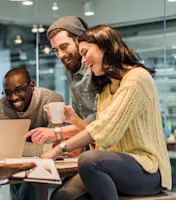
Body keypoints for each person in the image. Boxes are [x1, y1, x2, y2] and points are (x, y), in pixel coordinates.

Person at [28, 24, 172, 200]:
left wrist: (58, 149)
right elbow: (99, 134)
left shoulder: (137, 78)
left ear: (104, 47)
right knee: (63, 196)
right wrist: (74, 119)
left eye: (85, 52)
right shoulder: (105, 89)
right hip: (116, 165)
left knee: (89, 160)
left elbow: (106, 129)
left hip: (148, 169)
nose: (83, 61)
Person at [0, 67, 69, 200]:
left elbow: (56, 144)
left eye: (18, 90)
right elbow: (10, 149)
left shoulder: (53, 100)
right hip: (16, 167)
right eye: (8, 92)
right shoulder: (1, 107)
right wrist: (46, 147)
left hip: (49, 163)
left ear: (32, 86)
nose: (13, 97)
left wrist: (19, 148)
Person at [27, 16, 97, 145]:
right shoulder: (72, 70)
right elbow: (81, 119)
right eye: (56, 50)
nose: (61, 55)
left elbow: (101, 120)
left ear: (80, 40)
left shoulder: (98, 69)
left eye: (64, 47)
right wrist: (73, 143)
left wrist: (58, 132)